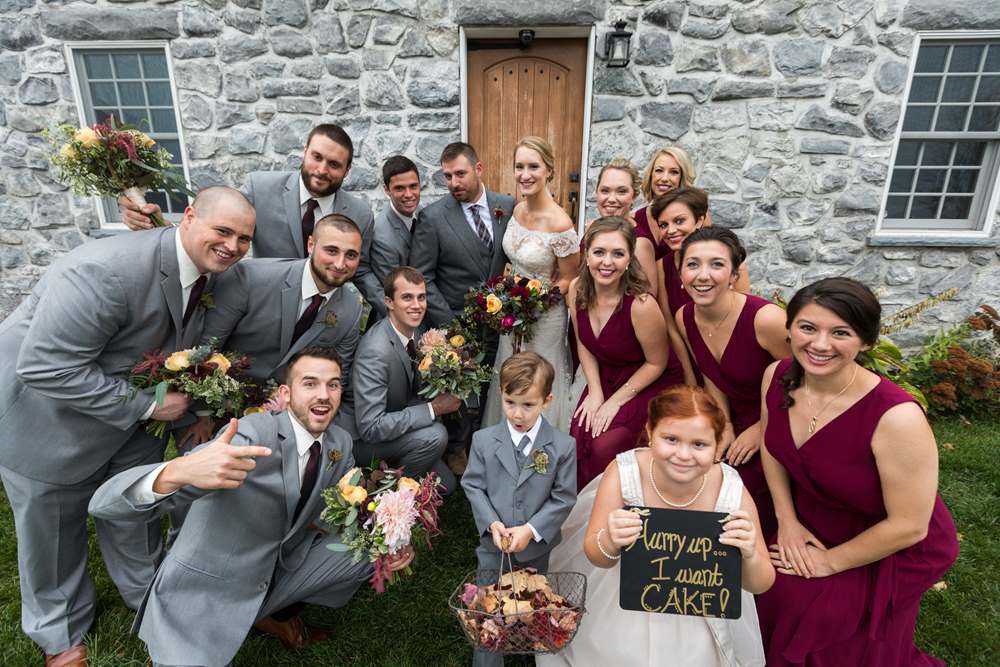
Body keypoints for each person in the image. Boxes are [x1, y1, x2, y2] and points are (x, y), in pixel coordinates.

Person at [0, 187, 255, 665]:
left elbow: (195, 350)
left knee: (136, 508)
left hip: (135, 416)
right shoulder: (103, 272)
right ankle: (59, 632)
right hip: (44, 416)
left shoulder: (227, 280)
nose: (233, 246)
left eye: (244, 238)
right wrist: (145, 408)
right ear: (189, 218)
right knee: (53, 532)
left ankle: (151, 598)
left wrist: (192, 409)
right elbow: (43, 366)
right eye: (223, 231)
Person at [88, 347, 415, 667]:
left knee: (372, 549)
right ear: (285, 394)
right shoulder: (248, 438)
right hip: (208, 590)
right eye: (310, 383)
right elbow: (105, 504)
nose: (324, 395)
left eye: (332, 385)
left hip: (275, 566)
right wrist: (178, 472)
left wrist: (391, 538)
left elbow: (330, 510)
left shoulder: (338, 444)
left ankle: (275, 614)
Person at [755, 278, 959, 666]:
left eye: (840, 333)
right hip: (816, 514)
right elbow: (772, 448)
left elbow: (910, 526)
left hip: (891, 540)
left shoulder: (897, 417)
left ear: (866, 341)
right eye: (808, 327)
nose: (819, 344)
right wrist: (786, 520)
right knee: (757, 581)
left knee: (810, 611)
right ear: (790, 328)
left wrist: (828, 563)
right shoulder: (776, 377)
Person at [538, 385, 772, 667]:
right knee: (615, 654)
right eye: (671, 439)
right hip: (623, 594)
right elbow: (594, 552)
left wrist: (748, 554)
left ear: (717, 443)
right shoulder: (625, 472)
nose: (683, 455)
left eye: (699, 445)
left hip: (698, 607)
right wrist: (611, 540)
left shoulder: (730, 488)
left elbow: (761, 583)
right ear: (650, 432)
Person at [118, 123, 381, 313]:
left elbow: (362, 270)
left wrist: (392, 307)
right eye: (317, 157)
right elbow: (214, 223)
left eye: (334, 164)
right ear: (305, 152)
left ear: (347, 170)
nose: (322, 170)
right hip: (260, 308)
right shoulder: (260, 188)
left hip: (322, 314)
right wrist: (161, 225)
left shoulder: (360, 214)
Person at [461, 352, 577, 667]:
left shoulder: (563, 447)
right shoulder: (484, 441)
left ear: (547, 400)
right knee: (490, 613)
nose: (518, 413)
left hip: (535, 553)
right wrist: (492, 524)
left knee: (531, 607)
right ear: (501, 395)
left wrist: (531, 530)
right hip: (492, 548)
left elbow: (563, 497)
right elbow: (473, 485)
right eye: (511, 402)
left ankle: (530, 647)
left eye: (529, 405)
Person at [674, 227, 790, 540]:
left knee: (743, 486)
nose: (703, 275)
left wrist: (761, 428)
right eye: (693, 264)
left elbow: (803, 380)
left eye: (716, 264)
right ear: (680, 271)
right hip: (731, 416)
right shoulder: (684, 317)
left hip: (784, 415)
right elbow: (713, 377)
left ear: (734, 274)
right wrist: (724, 424)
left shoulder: (766, 320)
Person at [483, 136, 579, 432]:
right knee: (511, 375)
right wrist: (509, 298)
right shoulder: (517, 209)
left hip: (544, 317)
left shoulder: (560, 224)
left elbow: (568, 279)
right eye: (519, 166)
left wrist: (534, 301)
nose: (525, 175)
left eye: (533, 166)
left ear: (549, 170)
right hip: (512, 314)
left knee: (536, 379)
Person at [569, 217, 672, 490]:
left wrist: (614, 402)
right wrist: (595, 392)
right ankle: (581, 513)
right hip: (604, 376)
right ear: (587, 254)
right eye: (599, 252)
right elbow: (583, 344)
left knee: (605, 444)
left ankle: (615, 507)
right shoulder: (576, 289)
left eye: (618, 253)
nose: (607, 262)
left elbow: (657, 362)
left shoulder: (641, 305)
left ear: (629, 260)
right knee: (580, 432)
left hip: (646, 379)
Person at [352, 267, 460, 493]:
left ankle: (399, 466)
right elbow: (370, 427)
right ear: (389, 302)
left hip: (398, 422)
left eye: (421, 297)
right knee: (436, 436)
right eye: (407, 298)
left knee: (446, 486)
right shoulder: (375, 351)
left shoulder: (416, 331)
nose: (417, 305)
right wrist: (434, 408)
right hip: (364, 441)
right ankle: (385, 493)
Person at [408, 141, 515, 329]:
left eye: (460, 174)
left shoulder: (508, 205)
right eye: (448, 176)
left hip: (503, 324)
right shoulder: (432, 218)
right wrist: (450, 326)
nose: (453, 183)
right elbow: (422, 277)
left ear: (478, 169)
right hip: (459, 326)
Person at [634, 146, 698, 294]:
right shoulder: (635, 218)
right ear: (651, 175)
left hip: (685, 293)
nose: (664, 178)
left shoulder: (698, 215)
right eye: (659, 170)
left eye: (674, 172)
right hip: (646, 297)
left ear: (682, 178)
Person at [370, 156, 422, 319]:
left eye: (413, 186)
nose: (409, 194)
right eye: (400, 188)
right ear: (386, 189)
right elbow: (397, 293)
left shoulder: (422, 213)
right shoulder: (382, 237)